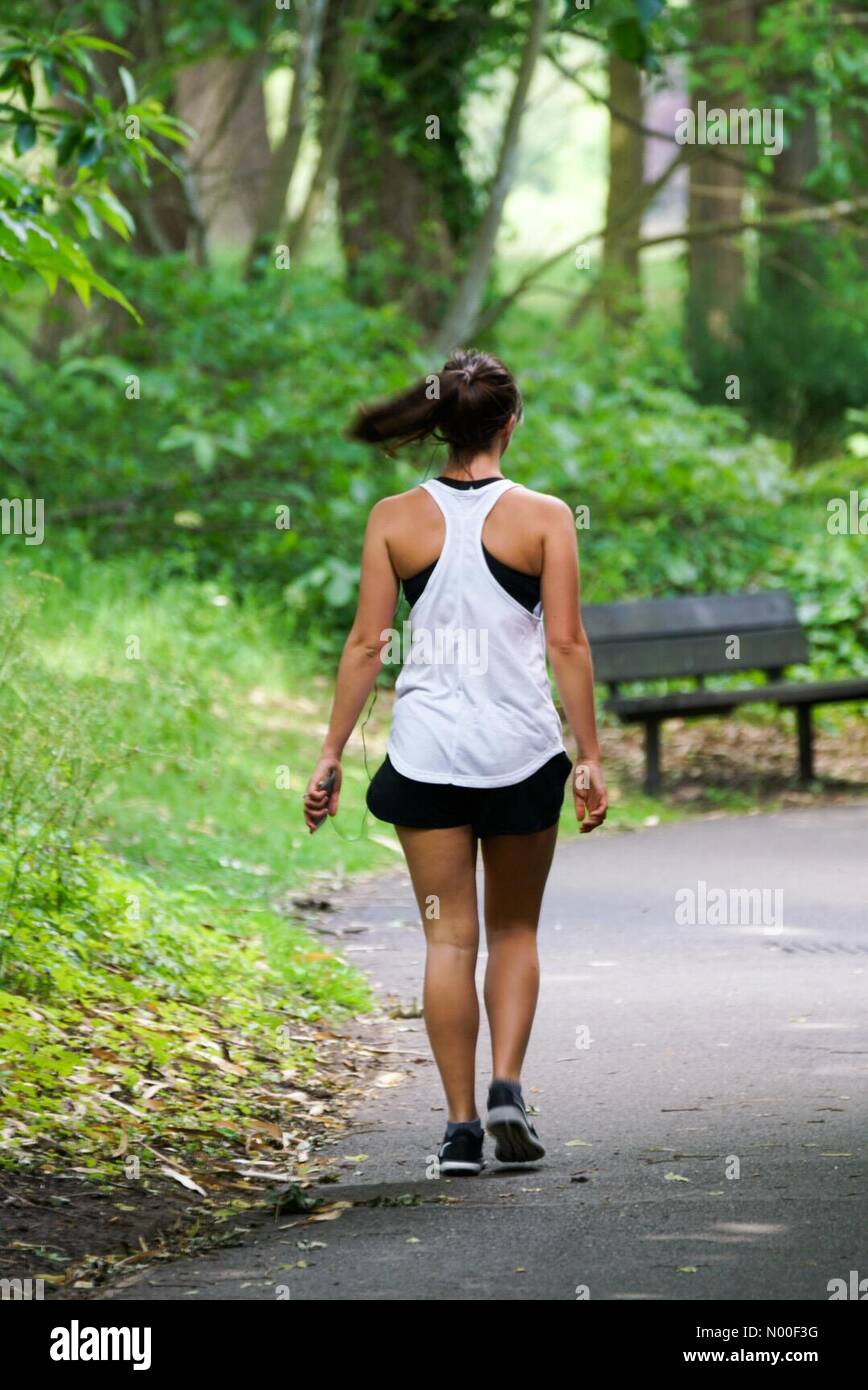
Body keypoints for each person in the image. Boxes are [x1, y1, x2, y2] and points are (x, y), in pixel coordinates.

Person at [303, 349, 607, 1175]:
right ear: (511, 423)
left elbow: (367, 644)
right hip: (521, 753)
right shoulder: (545, 517)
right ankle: (509, 1086)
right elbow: (567, 642)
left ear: (438, 425)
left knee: (447, 943)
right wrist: (588, 756)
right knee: (513, 930)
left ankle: (462, 1131)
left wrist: (331, 752)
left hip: (428, 755)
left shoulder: (394, 519)